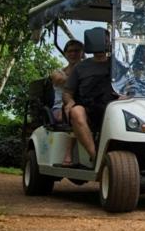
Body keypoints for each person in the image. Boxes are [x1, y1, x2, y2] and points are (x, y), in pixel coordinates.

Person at [62, 28, 120, 166]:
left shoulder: (117, 65)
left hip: (112, 107)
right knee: (76, 112)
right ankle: (97, 158)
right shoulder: (81, 67)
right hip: (88, 107)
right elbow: (67, 92)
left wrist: (124, 96)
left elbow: (129, 87)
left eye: (105, 40)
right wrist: (69, 102)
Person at [49, 39, 85, 166]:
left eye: (77, 51)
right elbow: (62, 80)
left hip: (83, 106)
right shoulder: (58, 73)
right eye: (70, 51)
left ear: (82, 53)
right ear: (65, 53)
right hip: (59, 108)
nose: (73, 54)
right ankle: (68, 154)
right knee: (73, 113)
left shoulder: (87, 71)